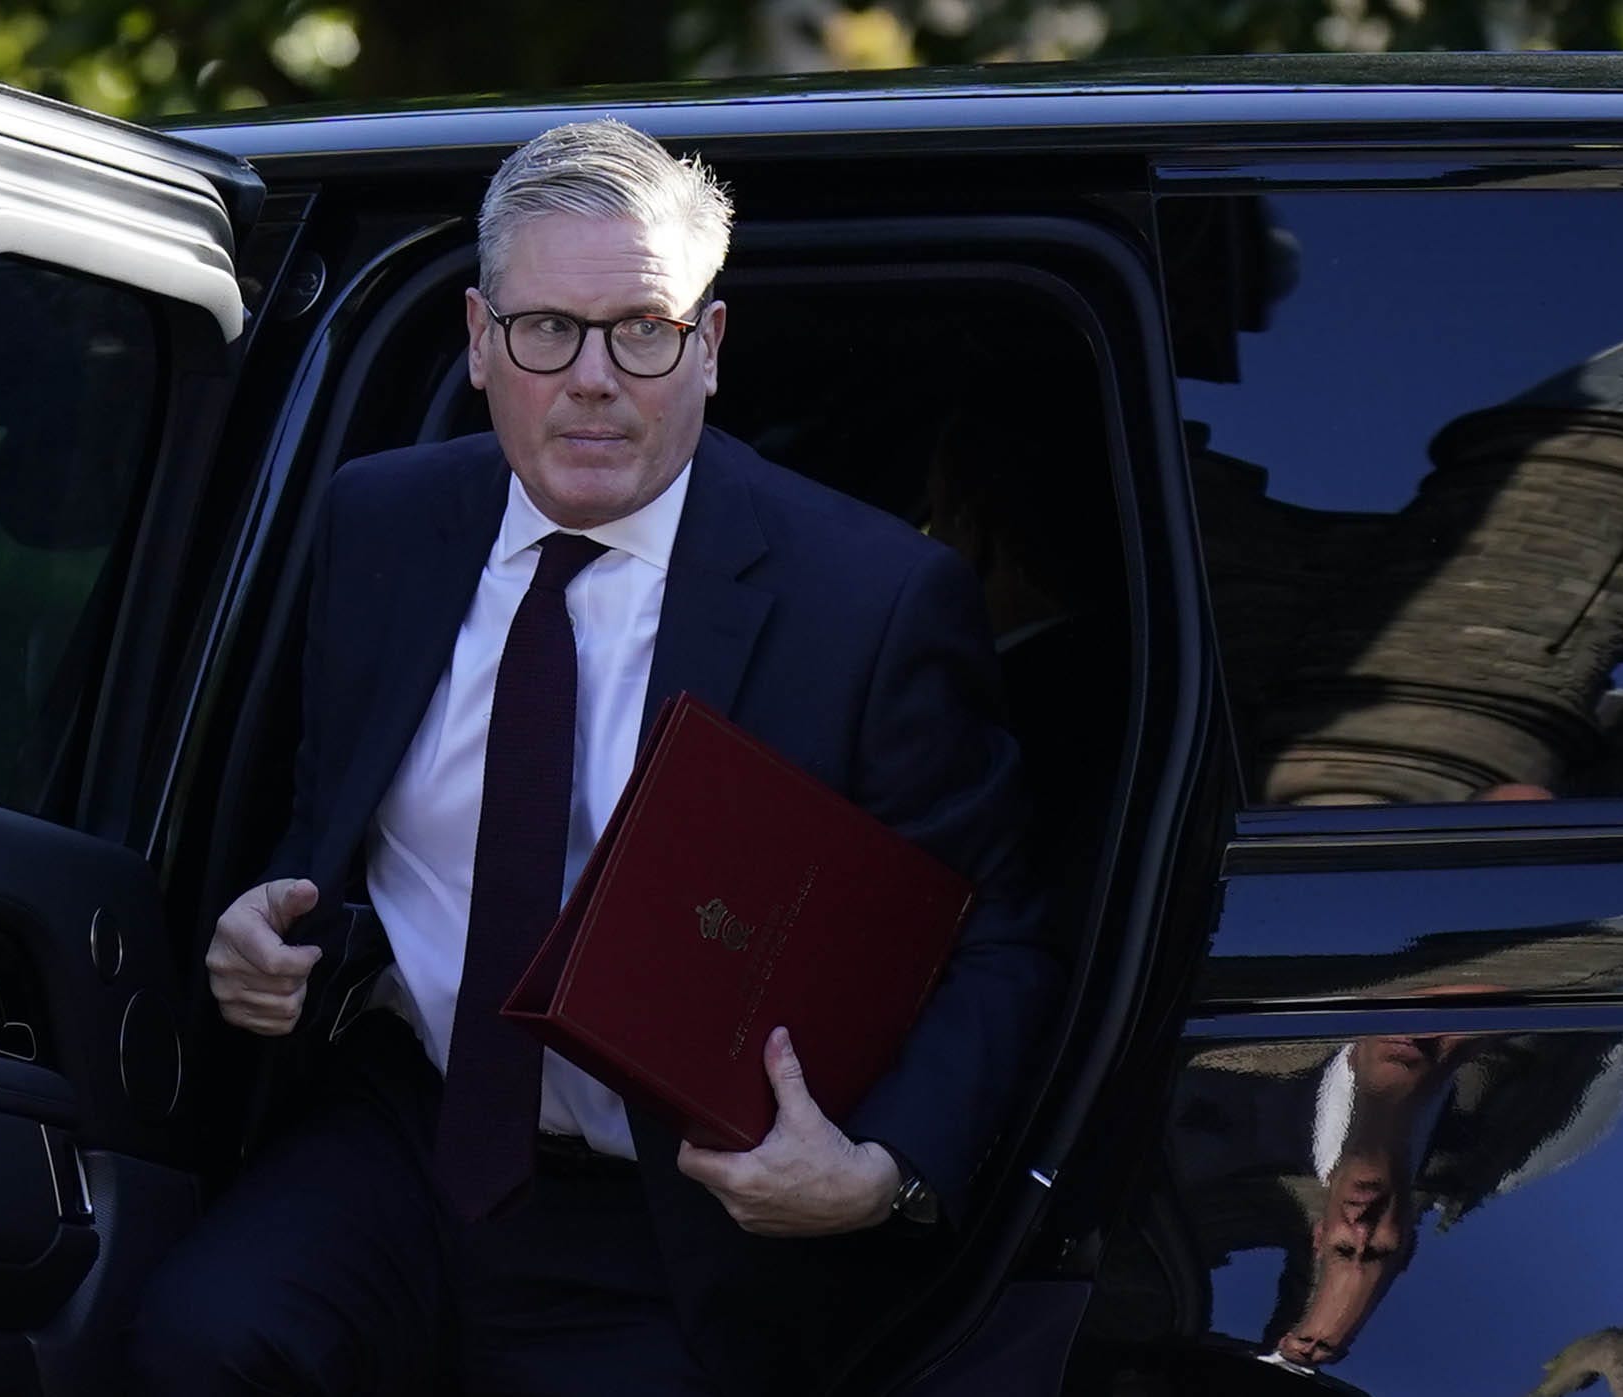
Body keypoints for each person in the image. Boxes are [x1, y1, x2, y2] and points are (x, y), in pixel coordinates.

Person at [129, 118, 1058, 1396]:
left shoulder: (872, 599)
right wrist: (268, 933)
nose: (591, 376)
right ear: (476, 339)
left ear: (708, 346)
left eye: (642, 329)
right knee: (196, 1339)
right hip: (406, 1137)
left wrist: (878, 1171)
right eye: (545, 329)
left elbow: (995, 932)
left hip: (675, 1217)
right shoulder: (378, 522)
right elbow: (329, 830)